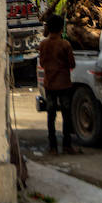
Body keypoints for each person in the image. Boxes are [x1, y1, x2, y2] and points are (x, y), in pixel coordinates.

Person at [38, 13, 79, 155]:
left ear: (48, 29)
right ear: (61, 28)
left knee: (51, 115)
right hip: (64, 84)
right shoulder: (65, 44)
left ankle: (52, 147)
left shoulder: (43, 44)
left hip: (49, 84)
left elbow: (42, 63)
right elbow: (72, 64)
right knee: (66, 115)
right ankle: (67, 145)